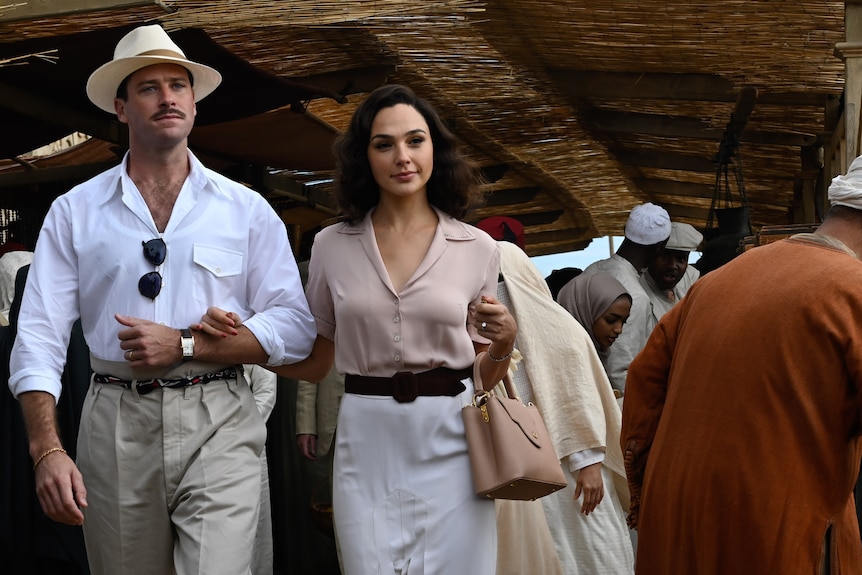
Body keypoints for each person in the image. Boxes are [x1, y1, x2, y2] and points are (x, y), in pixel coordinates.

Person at [8, 24, 316, 575]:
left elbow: (296, 329)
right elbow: (38, 336)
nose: (168, 96)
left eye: (179, 84)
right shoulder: (74, 211)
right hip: (115, 419)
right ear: (122, 109)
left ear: (195, 104)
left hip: (219, 413)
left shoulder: (245, 209)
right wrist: (47, 450)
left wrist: (189, 343)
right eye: (149, 88)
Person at [202, 84, 517, 574]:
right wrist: (244, 342)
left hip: (452, 439)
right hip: (365, 439)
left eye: (415, 140)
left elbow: (482, 375)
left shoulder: (477, 247)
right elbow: (316, 361)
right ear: (363, 157)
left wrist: (505, 341)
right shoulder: (332, 245)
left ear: (436, 148)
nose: (402, 156)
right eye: (384, 144)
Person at [620, 156, 862, 574]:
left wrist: (650, 491)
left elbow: (643, 387)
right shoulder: (852, 290)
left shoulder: (715, 282)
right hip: (774, 530)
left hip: (676, 520)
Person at [490, 238, 634, 575]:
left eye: (501, 281)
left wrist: (589, 463)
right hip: (523, 471)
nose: (496, 294)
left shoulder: (562, 330)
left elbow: (576, 397)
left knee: (594, 553)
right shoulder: (481, 335)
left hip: (575, 471)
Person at [564, 203, 670, 396]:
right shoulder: (635, 296)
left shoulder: (592, 269)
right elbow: (620, 371)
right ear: (660, 247)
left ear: (625, 232)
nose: (618, 327)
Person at [557, 272, 633, 380]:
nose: (619, 330)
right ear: (585, 312)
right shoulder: (564, 362)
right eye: (610, 320)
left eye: (624, 322)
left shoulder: (598, 355)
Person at [244, 364, 278, 575]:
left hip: (246, 441)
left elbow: (266, 389)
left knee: (254, 532)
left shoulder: (253, 329)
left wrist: (242, 433)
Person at [639, 222, 702, 332]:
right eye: (665, 255)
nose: (673, 266)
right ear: (652, 255)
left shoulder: (684, 296)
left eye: (681, 259)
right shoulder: (637, 296)